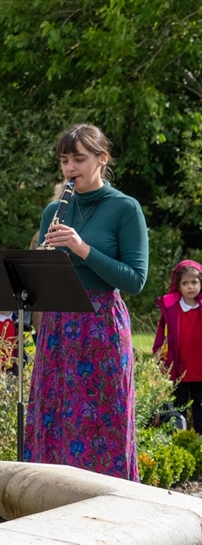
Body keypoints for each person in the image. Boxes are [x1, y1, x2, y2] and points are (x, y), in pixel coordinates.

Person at [25, 124, 149, 480]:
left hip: (101, 327)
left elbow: (135, 280)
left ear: (102, 159)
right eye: (65, 160)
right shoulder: (53, 212)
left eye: (79, 159)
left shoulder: (125, 208)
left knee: (103, 422)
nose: (70, 168)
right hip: (58, 328)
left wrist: (82, 248)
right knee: (54, 417)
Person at [153, 260, 202, 438]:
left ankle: (201, 435)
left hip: (200, 367)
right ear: (178, 286)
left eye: (194, 282)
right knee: (179, 403)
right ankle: (180, 435)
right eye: (185, 283)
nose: (190, 287)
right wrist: (158, 357)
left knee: (200, 404)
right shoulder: (171, 309)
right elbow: (161, 335)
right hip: (179, 367)